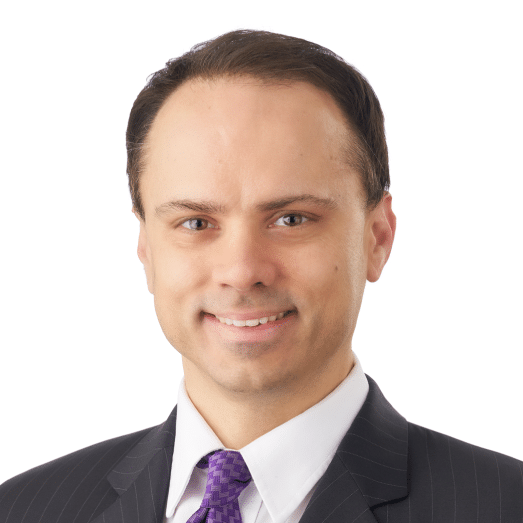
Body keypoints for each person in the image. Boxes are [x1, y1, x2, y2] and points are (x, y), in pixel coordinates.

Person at [1, 29, 521, 523]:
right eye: (196, 222)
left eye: (291, 219)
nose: (242, 271)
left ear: (378, 236)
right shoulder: (24, 508)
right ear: (147, 248)